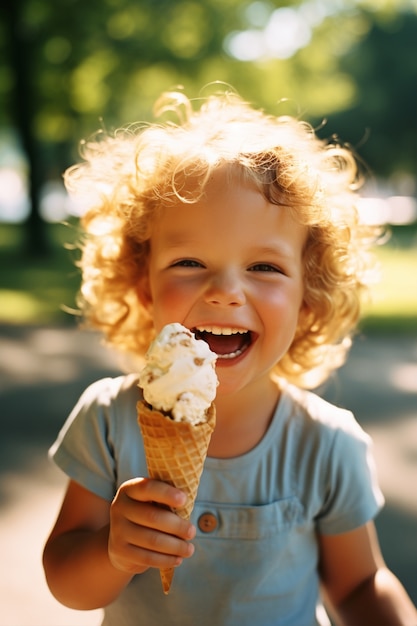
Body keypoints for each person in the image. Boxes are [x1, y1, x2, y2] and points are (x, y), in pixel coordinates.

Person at [43, 87, 417, 626]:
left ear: (308, 297)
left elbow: (359, 585)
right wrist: (111, 550)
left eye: (264, 268)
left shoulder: (326, 444)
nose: (225, 291)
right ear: (143, 285)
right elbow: (66, 581)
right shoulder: (107, 420)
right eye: (189, 261)